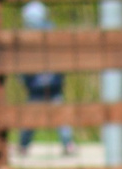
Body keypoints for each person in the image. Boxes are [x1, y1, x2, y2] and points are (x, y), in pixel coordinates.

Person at [16, 0, 73, 157]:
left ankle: (68, 143)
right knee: (31, 119)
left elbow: (62, 59)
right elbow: (21, 63)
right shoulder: (27, 38)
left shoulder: (50, 35)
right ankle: (23, 145)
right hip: (37, 85)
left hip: (51, 84)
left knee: (60, 117)